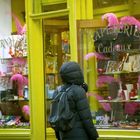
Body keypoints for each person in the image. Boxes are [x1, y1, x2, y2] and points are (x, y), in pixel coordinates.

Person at [52, 61, 99, 140]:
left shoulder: (57, 91)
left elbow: (56, 116)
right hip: (80, 135)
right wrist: (93, 135)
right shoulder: (78, 91)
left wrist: (58, 135)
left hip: (63, 134)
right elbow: (86, 118)